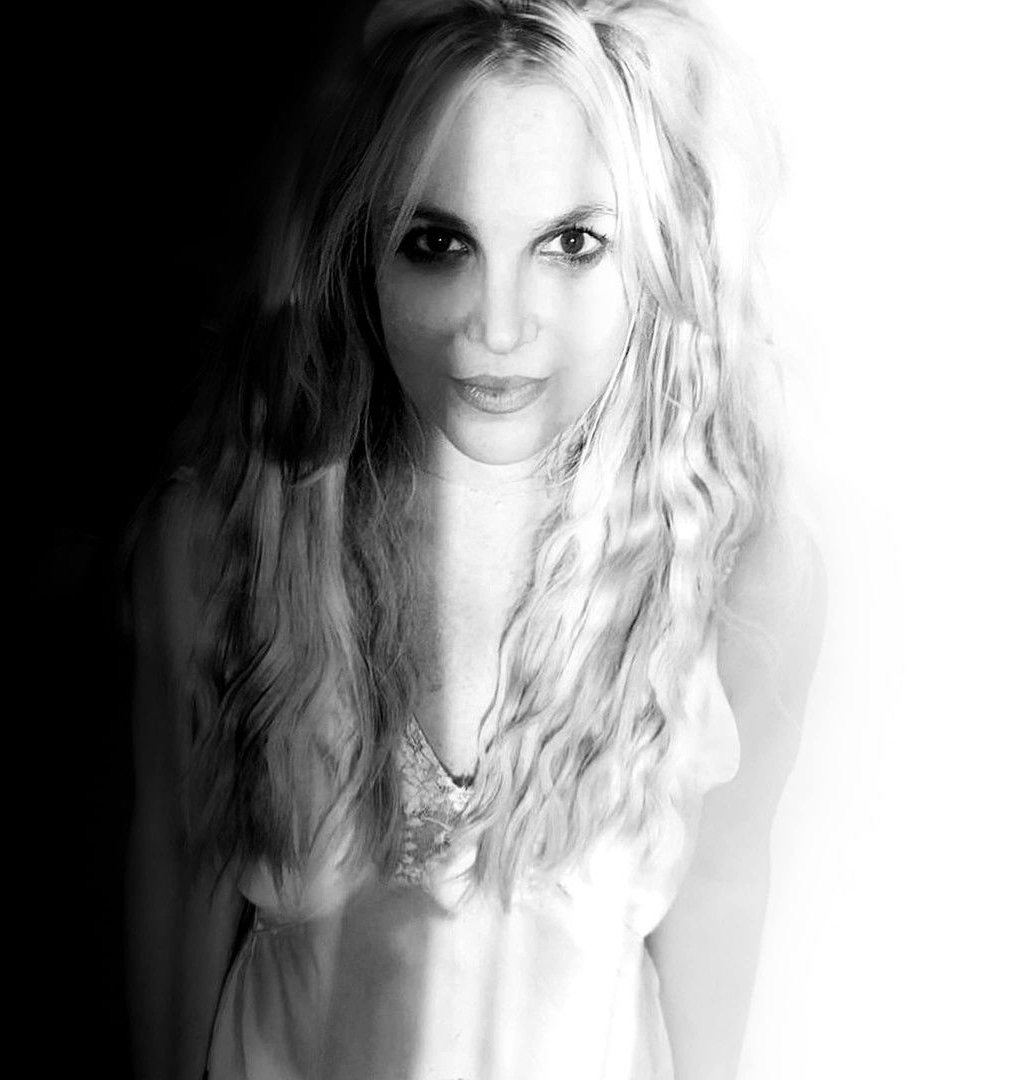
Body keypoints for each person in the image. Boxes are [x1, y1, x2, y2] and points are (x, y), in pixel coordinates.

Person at [125, 1, 825, 1077]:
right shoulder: (225, 542)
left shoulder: (730, 567)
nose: (498, 326)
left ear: (650, 256)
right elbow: (179, 877)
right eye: (439, 244)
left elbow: (723, 893)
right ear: (362, 255)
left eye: (570, 244)